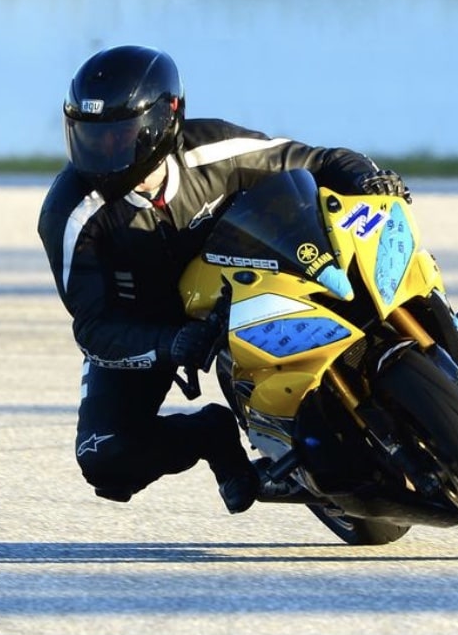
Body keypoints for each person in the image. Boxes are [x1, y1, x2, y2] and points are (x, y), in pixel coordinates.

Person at [37, 44, 406, 515]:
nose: (105, 153)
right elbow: (93, 329)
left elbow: (318, 161)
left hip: (248, 277)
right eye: (92, 139)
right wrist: (171, 344)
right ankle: (216, 436)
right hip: (150, 323)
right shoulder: (70, 216)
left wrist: (368, 177)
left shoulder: (216, 149)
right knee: (105, 457)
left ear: (163, 121)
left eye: (119, 136)